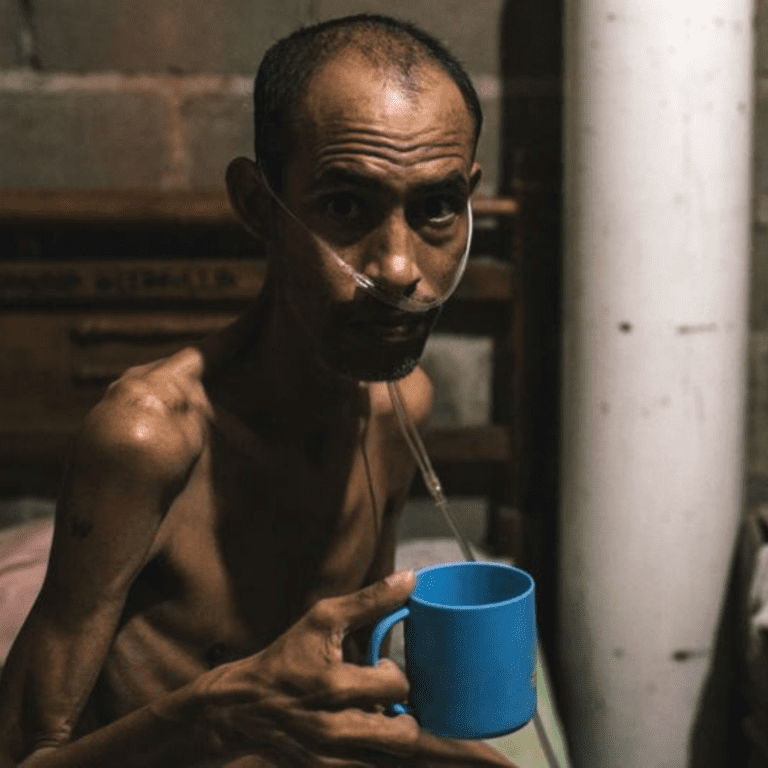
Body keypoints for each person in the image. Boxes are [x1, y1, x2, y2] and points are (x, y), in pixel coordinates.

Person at [0, 14, 515, 768]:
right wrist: (214, 717)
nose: (400, 268)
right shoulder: (151, 438)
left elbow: (354, 664)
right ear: (257, 204)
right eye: (346, 206)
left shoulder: (399, 407)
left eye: (436, 208)